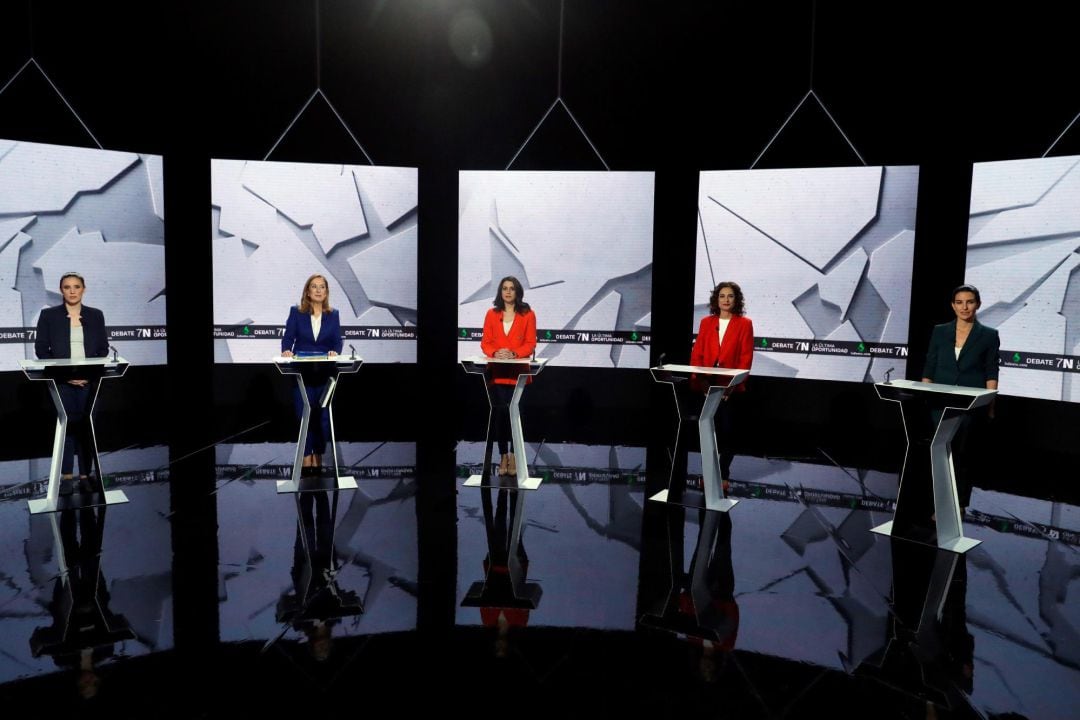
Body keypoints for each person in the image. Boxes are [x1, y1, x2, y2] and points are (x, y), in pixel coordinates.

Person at [921, 283, 999, 509]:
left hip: (970, 404)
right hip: (938, 402)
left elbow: (991, 371)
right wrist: (926, 397)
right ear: (953, 306)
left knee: (962, 456)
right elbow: (930, 367)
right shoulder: (940, 331)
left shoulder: (988, 335)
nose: (965, 307)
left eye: (970, 302)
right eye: (959, 302)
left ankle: (957, 505)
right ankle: (934, 503)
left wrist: (991, 404)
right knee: (938, 454)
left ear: (978, 304)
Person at [35, 272, 110, 493]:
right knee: (67, 428)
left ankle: (86, 474)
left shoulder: (96, 315)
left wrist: (88, 374)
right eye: (67, 287)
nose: (72, 290)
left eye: (76, 286)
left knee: (87, 429)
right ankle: (67, 477)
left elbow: (103, 349)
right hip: (62, 382)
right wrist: (67, 376)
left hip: (90, 383)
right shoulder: (49, 316)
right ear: (61, 291)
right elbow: (41, 350)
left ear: (83, 289)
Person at [689, 281, 754, 484]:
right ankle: (707, 474)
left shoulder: (744, 324)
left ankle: (723, 474)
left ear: (736, 300)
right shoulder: (706, 323)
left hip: (730, 386)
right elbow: (697, 353)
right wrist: (700, 381)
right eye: (722, 296)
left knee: (728, 433)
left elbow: (745, 358)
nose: (726, 300)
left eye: (730, 296)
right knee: (708, 432)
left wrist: (732, 386)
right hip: (706, 384)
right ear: (716, 300)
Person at [281, 274, 343, 473]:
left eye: (322, 287)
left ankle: (318, 453)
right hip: (303, 374)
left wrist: (335, 352)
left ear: (326, 292)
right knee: (304, 415)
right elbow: (288, 338)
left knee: (322, 418)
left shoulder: (333, 314)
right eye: (314, 287)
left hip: (325, 374)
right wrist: (286, 351)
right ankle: (307, 455)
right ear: (307, 291)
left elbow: (337, 342)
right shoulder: (296, 312)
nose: (318, 290)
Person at [480, 276, 537, 476]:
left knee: (515, 415)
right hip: (496, 374)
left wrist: (514, 353)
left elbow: (530, 343)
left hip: (517, 374)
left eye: (512, 288)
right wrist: (495, 353)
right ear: (500, 292)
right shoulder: (491, 314)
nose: (508, 292)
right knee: (501, 416)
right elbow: (485, 342)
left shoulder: (528, 314)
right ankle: (502, 456)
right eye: (504, 288)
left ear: (517, 292)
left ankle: (514, 457)